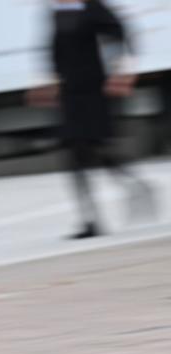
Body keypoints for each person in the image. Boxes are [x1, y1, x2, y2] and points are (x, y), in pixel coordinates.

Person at [30, 0, 157, 239]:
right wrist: (47, 83)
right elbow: (54, 49)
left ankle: (137, 185)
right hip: (69, 92)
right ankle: (91, 221)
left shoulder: (92, 7)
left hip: (94, 89)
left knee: (95, 148)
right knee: (74, 154)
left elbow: (120, 31)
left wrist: (121, 70)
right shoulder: (55, 12)